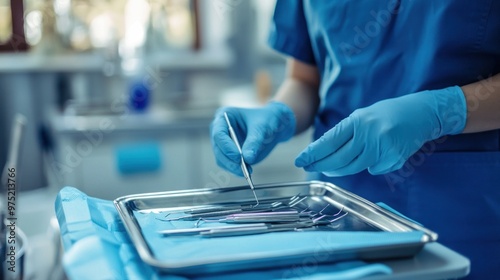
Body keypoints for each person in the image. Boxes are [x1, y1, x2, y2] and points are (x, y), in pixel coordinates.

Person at [210, 1, 500, 278]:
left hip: (466, 216)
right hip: (335, 214)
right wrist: (279, 114)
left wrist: (442, 112)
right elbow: (304, 79)